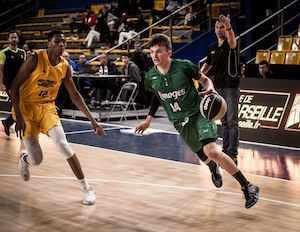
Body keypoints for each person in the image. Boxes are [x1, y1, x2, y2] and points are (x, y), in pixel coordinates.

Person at [135, 34, 259, 209]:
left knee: (211, 151)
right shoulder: (150, 77)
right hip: (179, 121)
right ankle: (213, 169)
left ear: (169, 52)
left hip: (199, 112)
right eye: (152, 52)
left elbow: (205, 79)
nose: (154, 55)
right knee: (202, 155)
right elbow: (157, 97)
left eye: (159, 51)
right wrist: (148, 121)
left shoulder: (183, 66)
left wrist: (209, 87)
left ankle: (247, 186)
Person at [10, 30, 105, 205]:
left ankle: (86, 188)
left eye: (64, 42)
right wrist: (19, 117)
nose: (61, 45)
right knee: (36, 160)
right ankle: (25, 159)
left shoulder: (64, 67)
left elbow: (75, 95)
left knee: (63, 145)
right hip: (26, 107)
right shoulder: (35, 59)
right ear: (49, 44)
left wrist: (93, 120)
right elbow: (14, 87)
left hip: (47, 108)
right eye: (57, 42)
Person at [201, 14, 240, 165]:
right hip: (217, 87)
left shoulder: (230, 45)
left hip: (231, 86)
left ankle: (233, 153)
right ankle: (225, 151)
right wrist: (198, 76)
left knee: (232, 121)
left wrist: (229, 26)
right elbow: (207, 65)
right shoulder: (212, 47)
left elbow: (233, 42)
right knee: (223, 121)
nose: (219, 30)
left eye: (222, 27)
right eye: (217, 27)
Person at [0, 30, 26, 136]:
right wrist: (1, 84)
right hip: (10, 84)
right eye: (11, 37)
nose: (13, 39)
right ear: (8, 39)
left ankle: (7, 122)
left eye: (15, 37)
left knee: (21, 106)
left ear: (18, 39)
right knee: (17, 106)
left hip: (21, 84)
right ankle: (13, 124)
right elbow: (0, 70)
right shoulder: (3, 53)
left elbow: (24, 69)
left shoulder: (22, 52)